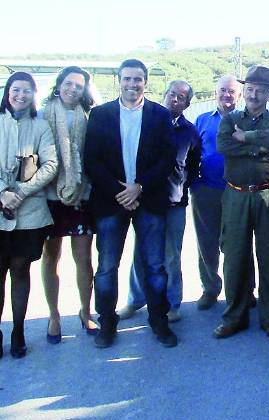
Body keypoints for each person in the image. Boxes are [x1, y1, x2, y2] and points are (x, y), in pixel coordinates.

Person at [83, 59, 177, 349]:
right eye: (127, 79)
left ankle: (159, 321)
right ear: (119, 81)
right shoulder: (100, 115)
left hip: (149, 199)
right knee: (107, 267)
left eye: (138, 79)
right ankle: (107, 323)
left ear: (145, 82)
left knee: (155, 266)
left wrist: (140, 188)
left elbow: (167, 158)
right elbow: (92, 160)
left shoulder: (160, 115)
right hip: (111, 201)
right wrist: (121, 191)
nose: (132, 84)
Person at [213, 65, 269, 340]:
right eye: (250, 89)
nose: (254, 94)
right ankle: (235, 316)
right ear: (244, 91)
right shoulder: (229, 119)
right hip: (235, 195)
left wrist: (246, 138)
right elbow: (224, 145)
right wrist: (262, 147)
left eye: (260, 90)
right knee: (234, 258)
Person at [121, 80, 201, 323]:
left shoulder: (190, 132)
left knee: (171, 255)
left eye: (181, 97)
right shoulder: (148, 120)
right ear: (165, 94)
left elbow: (193, 166)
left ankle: (172, 303)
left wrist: (180, 189)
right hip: (145, 199)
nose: (174, 99)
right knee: (141, 252)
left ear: (187, 104)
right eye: (172, 94)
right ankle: (136, 300)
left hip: (174, 202)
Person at [0, 72, 58, 358]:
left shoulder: (41, 125)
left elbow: (51, 164)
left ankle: (18, 330)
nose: (20, 95)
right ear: (7, 92)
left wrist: (20, 192)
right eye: (16, 89)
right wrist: (2, 192)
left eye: (27, 91)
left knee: (21, 270)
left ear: (34, 95)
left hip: (30, 212)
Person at [39, 66, 98, 343]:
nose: (73, 89)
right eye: (69, 83)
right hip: (49, 195)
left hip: (82, 194)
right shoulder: (43, 114)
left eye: (79, 85)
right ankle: (54, 315)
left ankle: (86, 311)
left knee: (84, 259)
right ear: (59, 84)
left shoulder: (90, 116)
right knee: (51, 257)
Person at [192, 75, 256, 311]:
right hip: (206, 191)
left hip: (237, 190)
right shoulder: (202, 120)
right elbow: (192, 154)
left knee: (240, 243)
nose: (227, 95)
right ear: (215, 92)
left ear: (239, 96)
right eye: (223, 90)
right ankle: (210, 289)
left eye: (232, 92)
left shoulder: (246, 120)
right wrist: (195, 182)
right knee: (206, 244)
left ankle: (246, 290)